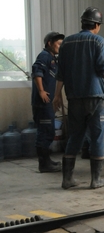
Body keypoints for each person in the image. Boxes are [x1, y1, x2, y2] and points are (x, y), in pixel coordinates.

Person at [53, 6, 104, 190]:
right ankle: (96, 180)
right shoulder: (98, 41)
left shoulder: (67, 43)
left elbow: (61, 73)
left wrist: (57, 96)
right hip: (96, 97)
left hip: (74, 97)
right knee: (97, 138)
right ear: (96, 25)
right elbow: (101, 67)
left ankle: (67, 179)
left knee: (75, 136)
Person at [31, 31, 65, 173]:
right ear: (49, 43)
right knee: (44, 132)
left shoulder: (53, 59)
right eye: (58, 44)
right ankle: (43, 164)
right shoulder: (44, 56)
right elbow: (37, 72)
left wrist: (56, 97)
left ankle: (47, 160)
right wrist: (41, 91)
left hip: (48, 102)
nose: (60, 47)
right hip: (42, 102)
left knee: (49, 131)